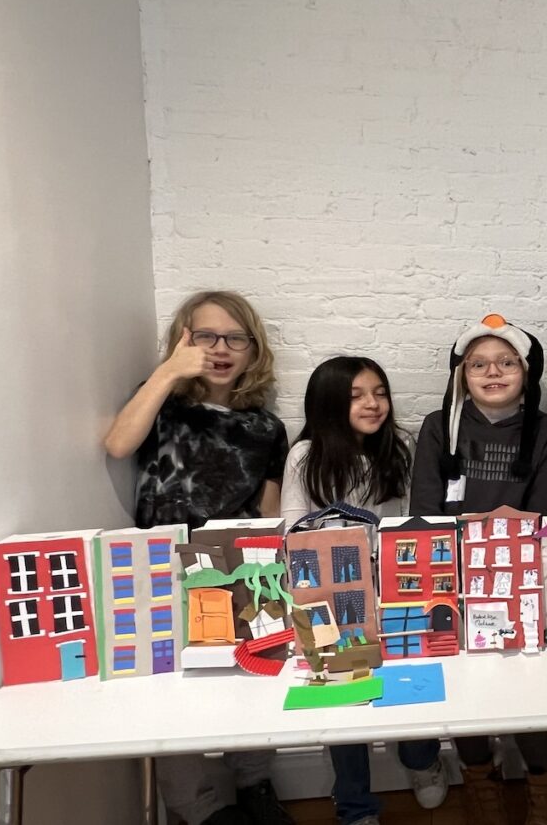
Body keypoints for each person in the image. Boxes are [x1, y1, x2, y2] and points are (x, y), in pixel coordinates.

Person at [103, 290, 292, 825]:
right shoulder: (163, 402)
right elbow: (118, 444)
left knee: (252, 676)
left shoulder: (265, 428)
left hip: (236, 567)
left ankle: (256, 783)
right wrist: (168, 373)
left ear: (253, 350)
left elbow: (267, 510)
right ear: (183, 341)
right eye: (205, 335)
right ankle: (202, 811)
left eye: (235, 338)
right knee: (170, 689)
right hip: (159, 568)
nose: (221, 348)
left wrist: (268, 576)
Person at [410, 314, 547, 825]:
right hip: (455, 578)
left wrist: (494, 527)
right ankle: (480, 776)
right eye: (478, 364)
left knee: (527, 686)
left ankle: (542, 780)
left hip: (522, 576)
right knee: (468, 685)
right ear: (461, 373)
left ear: (527, 371)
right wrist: (492, 524)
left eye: (506, 362)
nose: (492, 372)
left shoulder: (546, 431)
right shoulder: (439, 428)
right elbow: (428, 512)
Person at [280, 356, 447, 825]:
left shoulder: (401, 447)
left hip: (396, 591)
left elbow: (416, 518)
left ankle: (421, 760)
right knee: (343, 699)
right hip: (330, 600)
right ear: (329, 403)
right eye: (356, 395)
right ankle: (354, 803)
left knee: (410, 682)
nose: (373, 404)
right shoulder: (306, 455)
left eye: (379, 392)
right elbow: (294, 530)